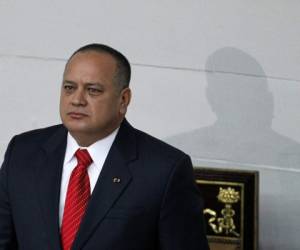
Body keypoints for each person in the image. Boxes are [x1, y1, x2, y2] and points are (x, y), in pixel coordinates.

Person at [0, 44, 209, 250]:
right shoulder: (23, 152)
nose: (77, 100)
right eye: (69, 88)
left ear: (123, 100)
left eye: (93, 90)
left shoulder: (164, 170)